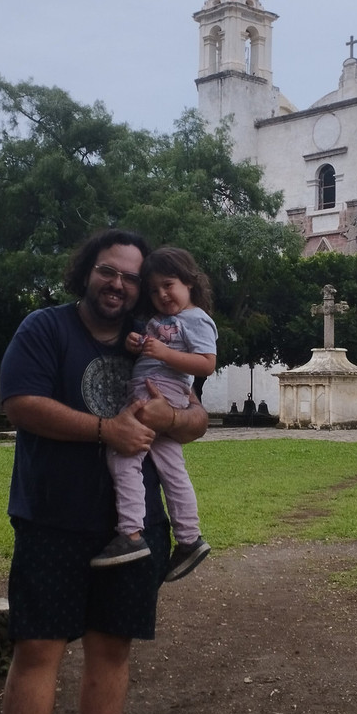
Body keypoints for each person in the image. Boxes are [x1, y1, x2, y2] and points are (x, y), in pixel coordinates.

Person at [0, 228, 209, 714]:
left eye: (131, 278)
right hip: (53, 517)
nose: (118, 284)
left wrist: (169, 418)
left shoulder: (158, 336)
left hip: (134, 531)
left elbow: (198, 416)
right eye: (107, 271)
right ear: (87, 270)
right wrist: (104, 429)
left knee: (113, 648)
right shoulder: (45, 328)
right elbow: (20, 403)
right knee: (37, 649)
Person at [91, 247, 216, 581]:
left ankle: (130, 534)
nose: (162, 294)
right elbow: (154, 347)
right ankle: (189, 538)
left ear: (190, 282)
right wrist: (138, 343)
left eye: (169, 284)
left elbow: (206, 363)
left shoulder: (198, 318)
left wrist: (162, 353)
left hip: (157, 391)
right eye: (154, 289)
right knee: (172, 468)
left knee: (123, 454)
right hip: (156, 387)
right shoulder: (161, 321)